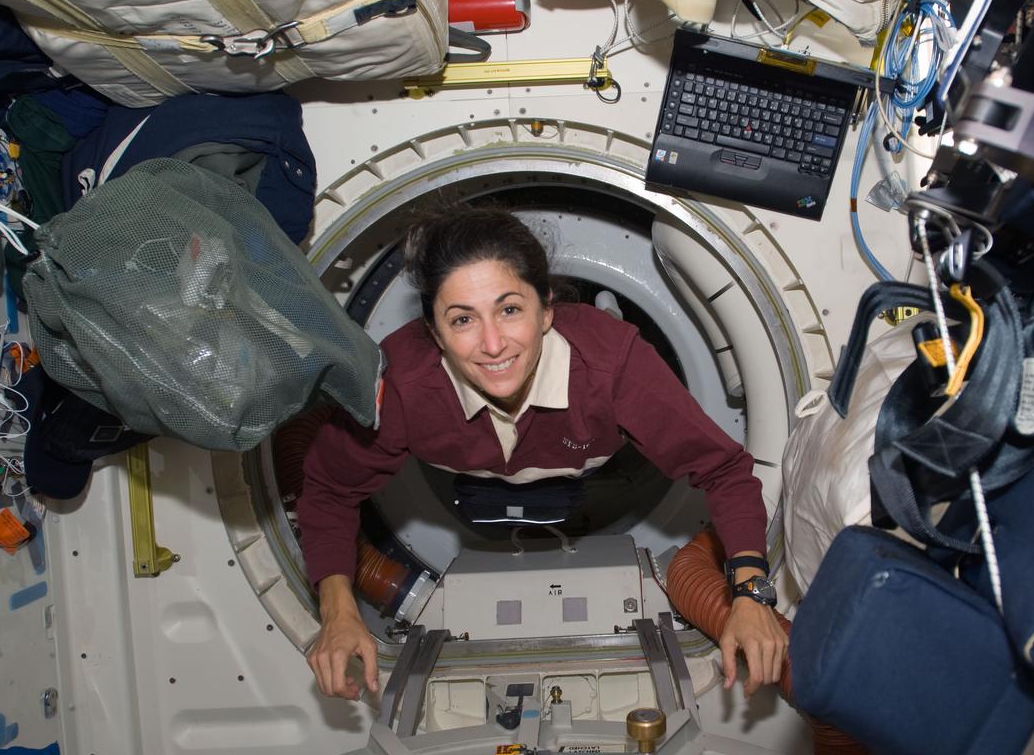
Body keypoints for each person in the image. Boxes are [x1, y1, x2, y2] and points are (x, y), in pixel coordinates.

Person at [298, 207, 787, 702]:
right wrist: (338, 612)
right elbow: (329, 489)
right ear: (435, 333)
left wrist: (749, 593)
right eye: (462, 319)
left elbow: (724, 470)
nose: (492, 344)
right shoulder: (404, 384)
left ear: (546, 309)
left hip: (593, 446)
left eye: (510, 310)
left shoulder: (612, 365)